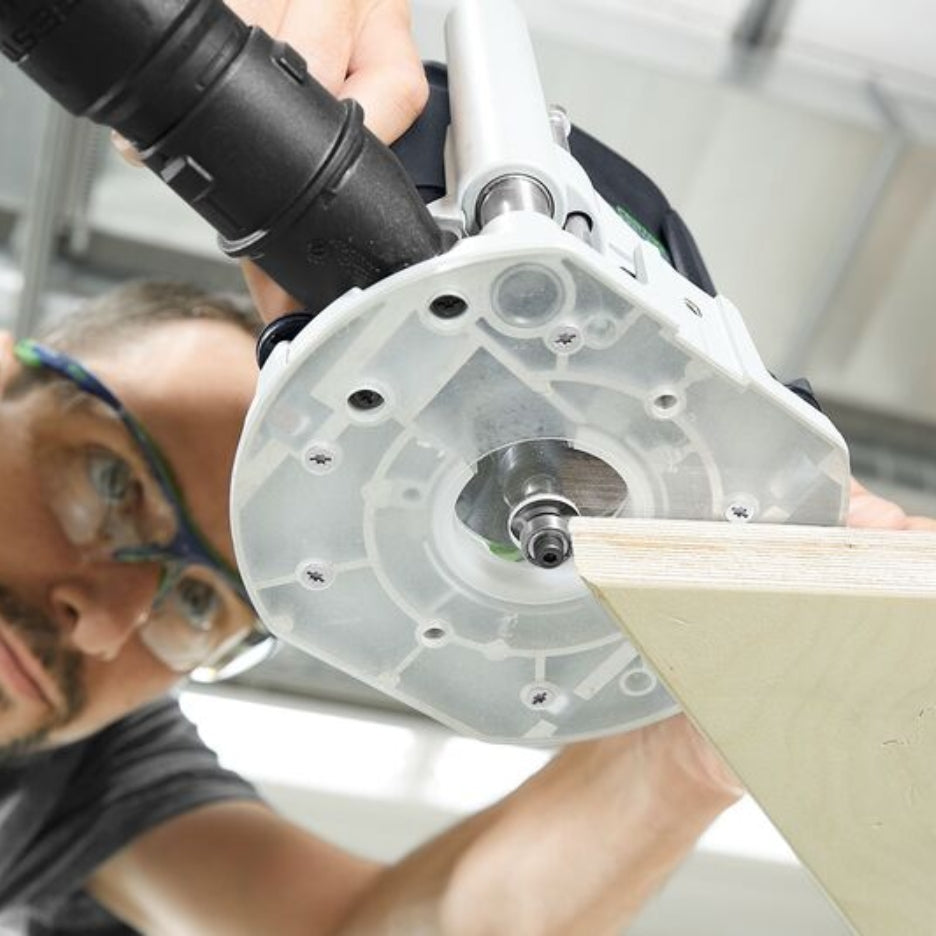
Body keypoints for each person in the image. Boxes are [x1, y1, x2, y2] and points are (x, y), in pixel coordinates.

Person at [0, 3, 932, 934]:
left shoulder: (71, 786)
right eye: (111, 484)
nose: (103, 624)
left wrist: (698, 730)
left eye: (199, 607)